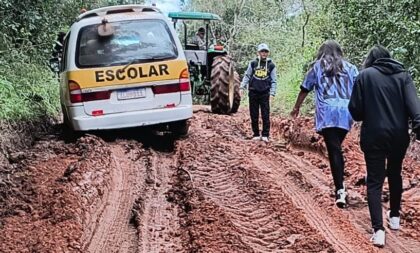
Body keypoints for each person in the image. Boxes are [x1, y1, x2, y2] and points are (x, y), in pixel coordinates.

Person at [348, 45, 420, 247]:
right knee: (395, 173)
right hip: (399, 135)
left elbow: (355, 110)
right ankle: (395, 217)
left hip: (373, 135)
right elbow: (415, 108)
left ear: (371, 60)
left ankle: (378, 230)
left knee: (374, 180)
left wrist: (368, 112)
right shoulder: (403, 76)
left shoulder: (364, 76)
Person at [290, 40, 358, 208]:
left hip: (327, 112)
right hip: (345, 112)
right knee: (336, 148)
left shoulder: (317, 66)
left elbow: (305, 88)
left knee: (334, 150)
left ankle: (340, 190)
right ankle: (340, 183)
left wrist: (296, 108)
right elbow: (360, 88)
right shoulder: (351, 68)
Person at [240, 43, 277, 142]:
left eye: (266, 51)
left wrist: (272, 93)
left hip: (265, 93)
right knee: (254, 114)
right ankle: (256, 134)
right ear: (258, 52)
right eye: (262, 51)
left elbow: (274, 80)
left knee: (265, 114)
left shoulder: (271, 65)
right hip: (253, 92)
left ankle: (265, 135)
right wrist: (241, 87)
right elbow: (247, 76)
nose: (264, 53)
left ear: (268, 53)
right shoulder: (253, 63)